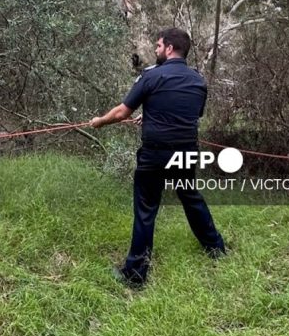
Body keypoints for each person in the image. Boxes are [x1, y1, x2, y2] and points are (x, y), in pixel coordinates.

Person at [90, 27, 226, 287]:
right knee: (190, 197)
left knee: (146, 208)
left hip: (155, 154)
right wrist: (152, 115)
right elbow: (189, 114)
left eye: (158, 45)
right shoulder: (198, 81)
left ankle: (135, 273)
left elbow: (121, 113)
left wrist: (99, 121)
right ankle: (216, 248)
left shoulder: (151, 76)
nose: (156, 50)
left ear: (170, 48)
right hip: (186, 152)